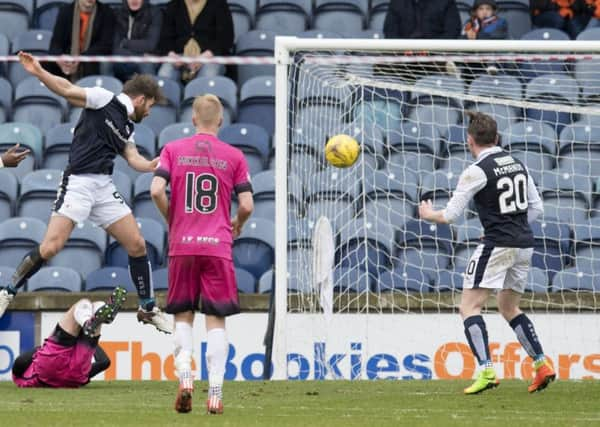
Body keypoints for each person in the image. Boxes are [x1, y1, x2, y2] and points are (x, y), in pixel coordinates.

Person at [0, 51, 172, 335]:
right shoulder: (104, 98)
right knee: (51, 247)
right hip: (78, 183)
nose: (150, 112)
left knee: (138, 245)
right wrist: (39, 72)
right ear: (140, 99)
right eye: (150, 106)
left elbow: (133, 158)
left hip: (103, 187)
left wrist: (152, 165)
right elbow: (67, 89)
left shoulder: (127, 126)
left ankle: (148, 308)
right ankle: (7, 292)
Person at [419, 111, 556, 394]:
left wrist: (428, 214)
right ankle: (541, 363)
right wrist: (512, 225)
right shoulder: (518, 164)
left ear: (470, 140)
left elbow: (451, 215)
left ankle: (486, 370)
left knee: (469, 306)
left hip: (498, 245)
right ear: (497, 138)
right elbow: (537, 208)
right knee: (509, 308)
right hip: (524, 245)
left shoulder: (476, 170)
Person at [151, 94, 253, 414]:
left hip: (183, 245)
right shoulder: (234, 156)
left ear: (193, 119)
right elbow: (248, 204)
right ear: (220, 121)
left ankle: (185, 379)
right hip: (217, 246)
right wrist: (237, 222)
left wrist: (173, 218)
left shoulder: (172, 149)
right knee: (216, 320)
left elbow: (155, 189)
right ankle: (216, 394)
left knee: (182, 315)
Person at [12, 287, 127, 388]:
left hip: (62, 374)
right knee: (83, 305)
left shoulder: (20, 380)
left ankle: (90, 322)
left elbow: (104, 362)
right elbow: (105, 362)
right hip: (75, 374)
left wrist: (89, 340)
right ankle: (96, 316)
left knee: (85, 310)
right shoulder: (84, 374)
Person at [156, 0, 234, 83]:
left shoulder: (219, 4)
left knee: (207, 76)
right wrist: (172, 55)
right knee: (164, 74)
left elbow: (226, 38)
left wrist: (204, 57)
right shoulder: (174, 5)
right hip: (179, 55)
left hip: (210, 56)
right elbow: (165, 38)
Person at [47, 0, 115, 81]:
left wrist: (81, 58)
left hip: (91, 60)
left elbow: (106, 45)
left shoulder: (106, 12)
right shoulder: (66, 11)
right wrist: (61, 59)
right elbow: (55, 43)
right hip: (68, 62)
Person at [112, 0, 163, 82]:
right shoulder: (118, 13)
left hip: (147, 61)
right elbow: (115, 48)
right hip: (132, 58)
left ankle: (150, 94)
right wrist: (141, 56)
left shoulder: (154, 12)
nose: (134, 0)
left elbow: (150, 45)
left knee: (146, 64)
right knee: (106, 63)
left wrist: (125, 43)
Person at [383, 0, 461, 39]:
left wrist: (431, 49)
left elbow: (452, 31)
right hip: (403, 53)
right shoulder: (397, 2)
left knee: (444, 65)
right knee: (381, 66)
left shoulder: (446, 1)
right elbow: (390, 31)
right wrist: (404, 49)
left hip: (435, 54)